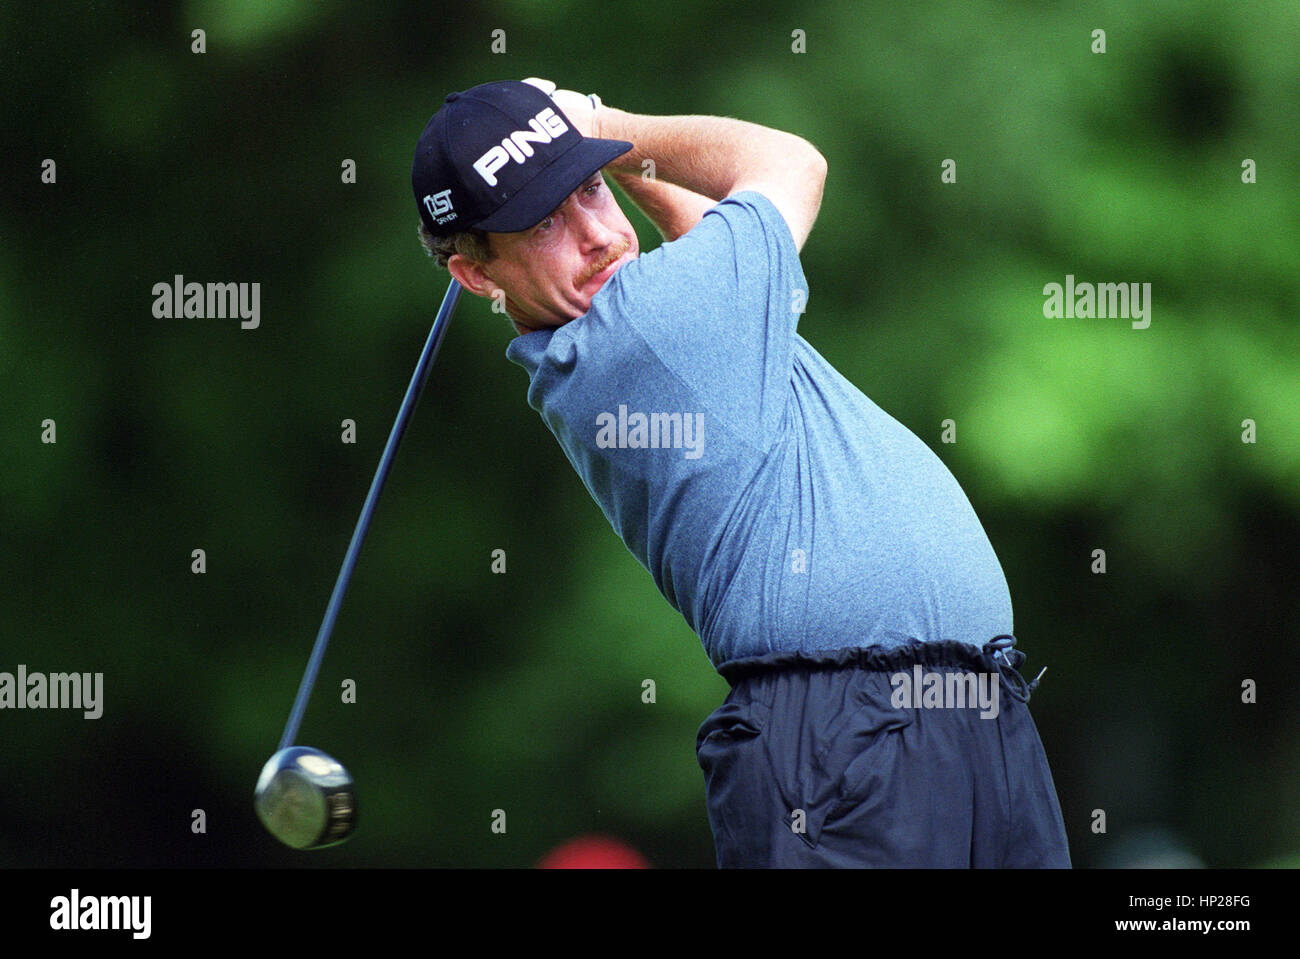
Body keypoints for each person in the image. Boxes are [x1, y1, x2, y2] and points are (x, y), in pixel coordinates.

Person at [410, 78, 1071, 867]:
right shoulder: (639, 331)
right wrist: (604, 125)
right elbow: (791, 163)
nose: (595, 233)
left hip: (956, 716)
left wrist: (612, 161)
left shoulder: (674, 322)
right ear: (476, 276)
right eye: (544, 221)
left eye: (589, 188)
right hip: (845, 738)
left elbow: (717, 250)